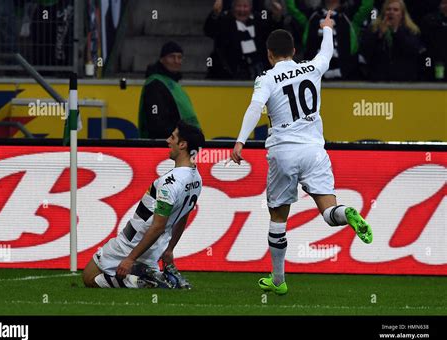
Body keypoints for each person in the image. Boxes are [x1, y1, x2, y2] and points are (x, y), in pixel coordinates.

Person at [230, 11, 373, 295]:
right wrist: (328, 27)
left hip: (284, 151)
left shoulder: (266, 78)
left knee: (278, 216)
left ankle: (278, 279)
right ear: (294, 51)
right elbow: (326, 53)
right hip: (315, 151)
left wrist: (240, 142)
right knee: (328, 212)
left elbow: (254, 109)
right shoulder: (311, 68)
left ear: (269, 54)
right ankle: (346, 212)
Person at [82, 121, 205, 289]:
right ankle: (146, 276)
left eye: (173, 137)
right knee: (124, 272)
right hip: (155, 247)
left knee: (89, 277)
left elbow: (157, 226)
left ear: (182, 145)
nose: (168, 141)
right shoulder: (197, 178)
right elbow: (183, 216)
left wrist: (130, 258)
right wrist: (169, 250)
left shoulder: (169, 183)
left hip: (133, 241)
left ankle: (142, 281)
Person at [286, 0, 374, 80]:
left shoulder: (351, 15)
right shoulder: (311, 16)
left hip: (347, 82)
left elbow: (367, 4)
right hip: (314, 84)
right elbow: (292, 6)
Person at [204, 0, 284, 80]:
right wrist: (215, 14)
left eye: (245, 6)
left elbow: (276, 34)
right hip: (230, 76)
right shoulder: (224, 22)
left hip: (258, 75)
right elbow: (209, 31)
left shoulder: (259, 21)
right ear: (233, 8)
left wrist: (277, 17)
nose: (242, 10)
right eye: (239, 6)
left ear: (250, 7)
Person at [138, 41, 200, 139]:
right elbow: (157, 123)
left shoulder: (173, 83)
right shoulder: (155, 84)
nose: (176, 61)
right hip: (163, 145)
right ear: (162, 59)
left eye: (179, 57)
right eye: (172, 57)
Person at [360, 0, 421, 81]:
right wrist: (379, 35)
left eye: (395, 10)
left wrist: (396, 31)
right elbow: (366, 52)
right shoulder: (373, 29)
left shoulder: (411, 30)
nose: (391, 12)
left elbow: (413, 50)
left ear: (402, 14)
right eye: (388, 9)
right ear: (383, 12)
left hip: (404, 81)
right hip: (378, 80)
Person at [420, 0, 447, 81]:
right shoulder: (429, 20)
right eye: (444, 3)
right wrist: (427, 65)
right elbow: (424, 43)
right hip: (433, 60)